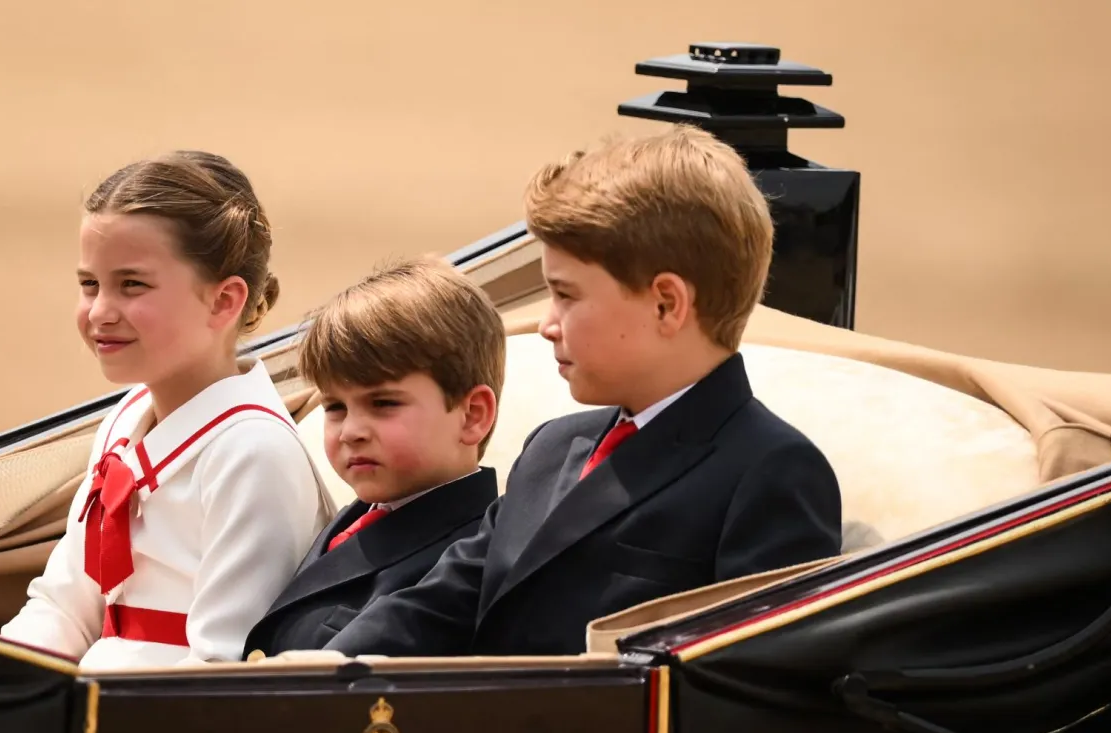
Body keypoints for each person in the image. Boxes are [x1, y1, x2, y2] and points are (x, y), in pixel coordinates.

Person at [320, 125, 843, 658]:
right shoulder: (552, 447)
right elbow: (441, 602)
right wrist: (313, 673)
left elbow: (754, 691)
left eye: (565, 295)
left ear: (666, 304)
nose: (547, 324)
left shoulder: (770, 471)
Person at [0, 151, 335, 669]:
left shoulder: (253, 454)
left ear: (224, 301)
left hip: (160, 730)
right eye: (89, 284)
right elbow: (66, 606)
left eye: (132, 284)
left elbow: (219, 668)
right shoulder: (124, 419)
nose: (100, 311)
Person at [243, 257, 504, 658]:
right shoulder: (352, 519)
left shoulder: (470, 558)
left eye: (383, 403)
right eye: (335, 407)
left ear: (472, 415)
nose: (351, 431)